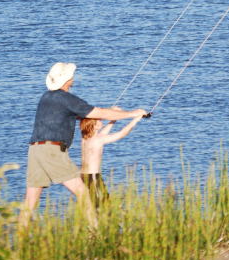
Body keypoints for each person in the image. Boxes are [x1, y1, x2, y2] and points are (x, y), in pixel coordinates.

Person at [22, 61, 147, 227]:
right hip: (52, 151)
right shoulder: (66, 98)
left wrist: (114, 113)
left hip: (34, 150)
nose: (73, 78)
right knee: (84, 194)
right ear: (68, 80)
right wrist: (132, 114)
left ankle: (21, 241)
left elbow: (88, 116)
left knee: (30, 203)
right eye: (71, 76)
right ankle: (94, 236)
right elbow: (97, 113)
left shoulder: (46, 97)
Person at [79, 110, 142, 207]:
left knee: (94, 204)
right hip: (93, 178)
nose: (101, 121)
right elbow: (122, 133)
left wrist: (114, 118)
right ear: (94, 126)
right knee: (102, 206)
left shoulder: (85, 138)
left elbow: (103, 133)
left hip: (83, 176)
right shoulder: (98, 140)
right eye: (98, 121)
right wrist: (136, 119)